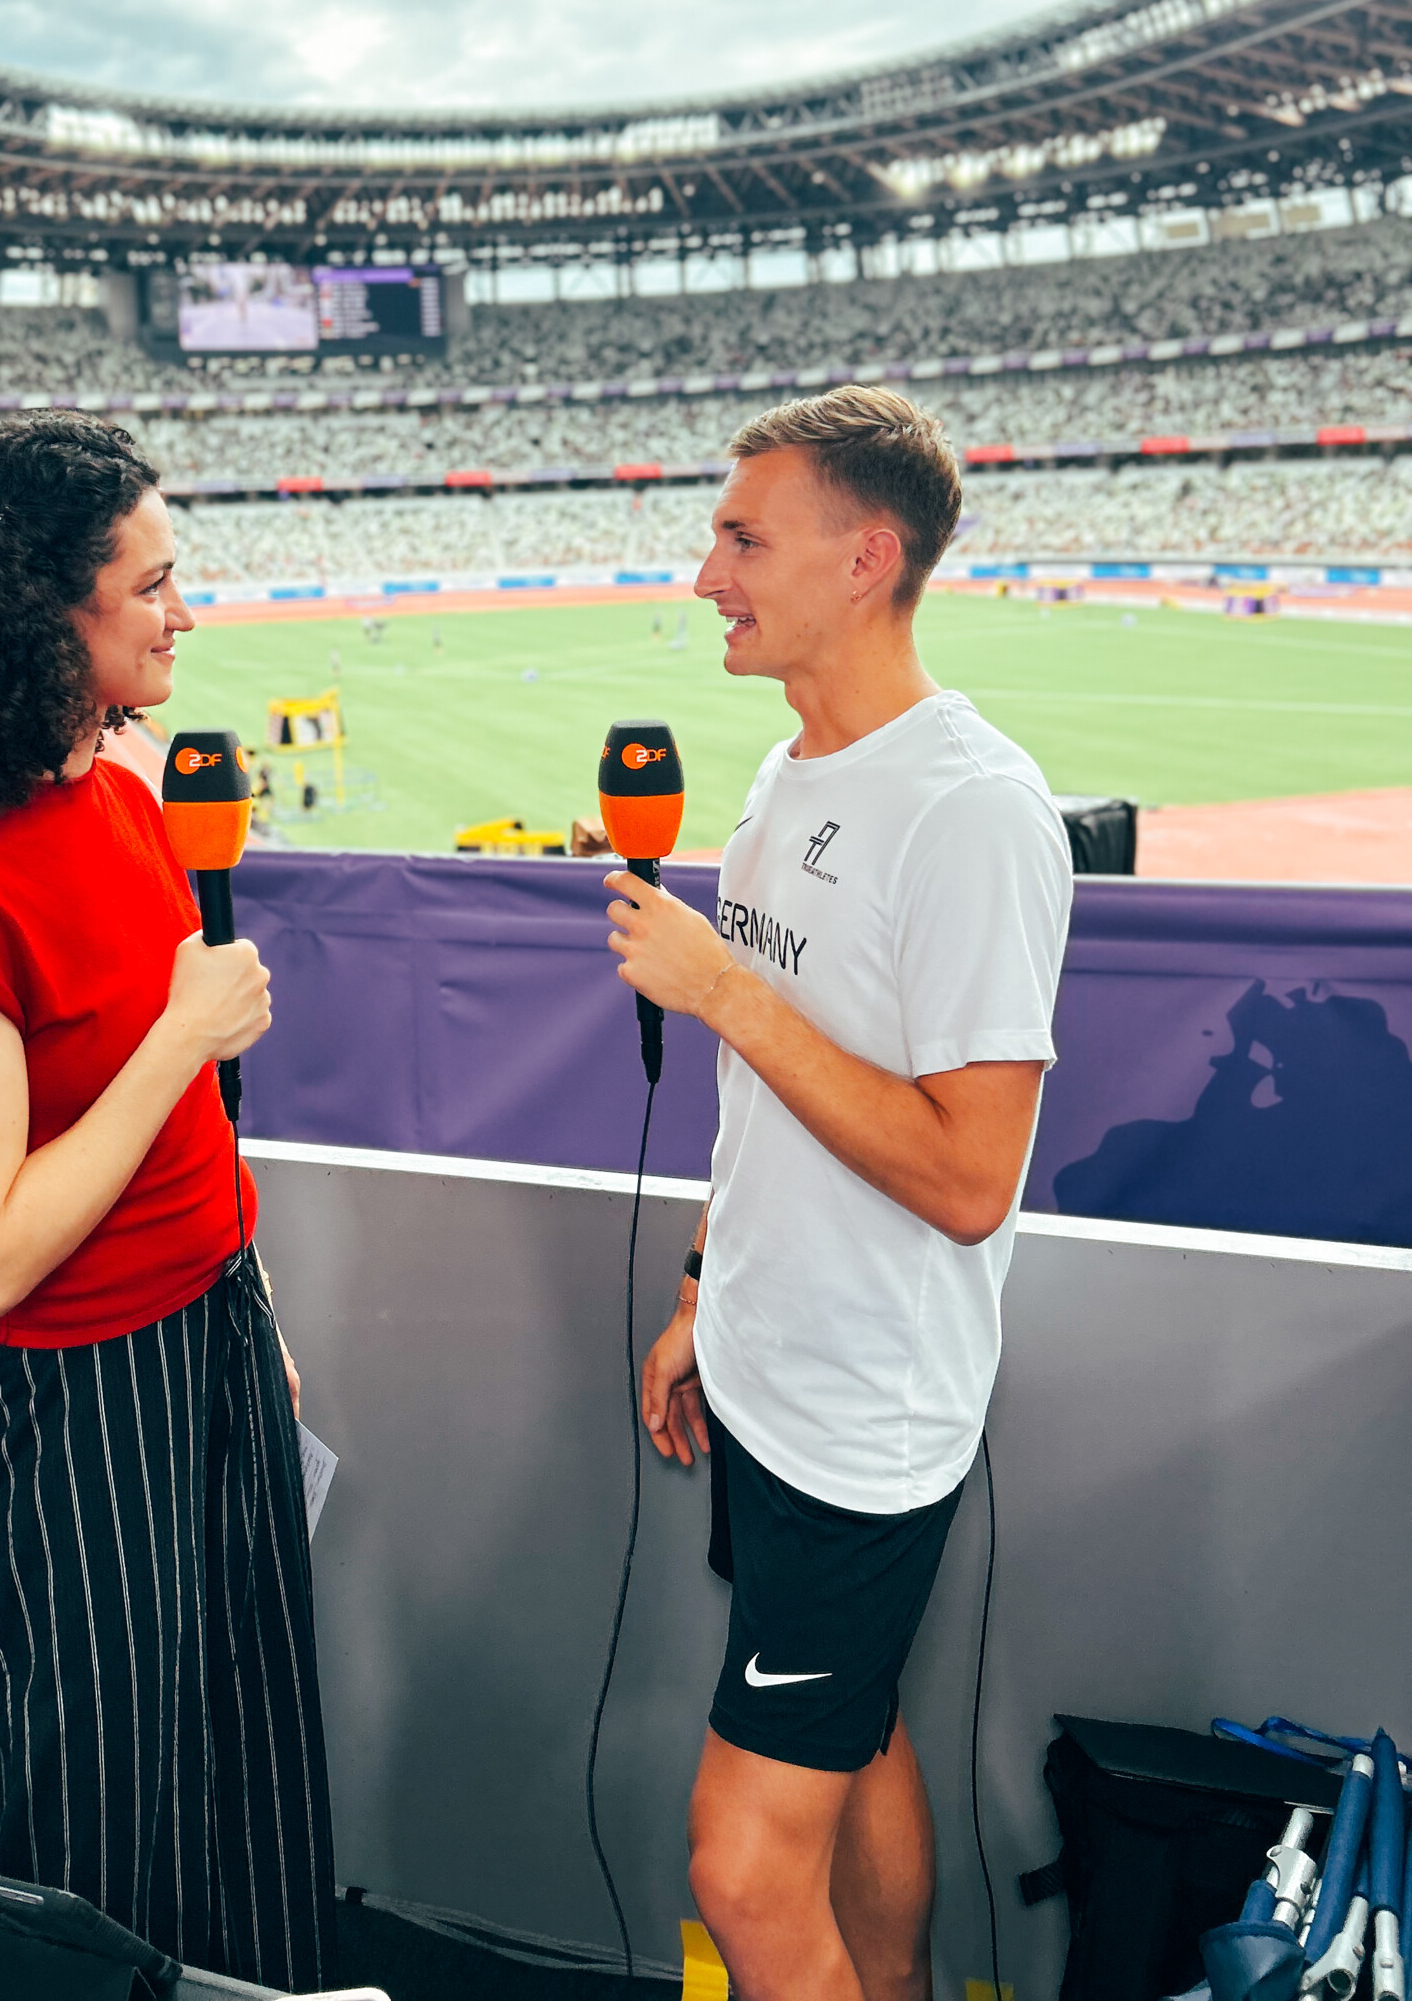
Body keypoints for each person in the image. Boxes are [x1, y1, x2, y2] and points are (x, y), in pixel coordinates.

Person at [0, 414, 335, 1992]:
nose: (187, 612)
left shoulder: (117, 798)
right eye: (154, 583)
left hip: (209, 1335)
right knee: (105, 1794)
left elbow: (170, 1136)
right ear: (49, 612)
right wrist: (182, 1036)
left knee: (252, 1741)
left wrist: (248, 1300)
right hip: (70, 1400)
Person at [603, 387, 1071, 2001]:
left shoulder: (973, 811)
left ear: (867, 559)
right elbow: (767, 1108)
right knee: (856, 1734)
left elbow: (969, 1176)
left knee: (739, 1867)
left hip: (863, 1421)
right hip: (763, 1366)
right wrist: (702, 1287)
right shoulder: (792, 772)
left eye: (745, 538)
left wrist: (721, 991)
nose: (706, 574)